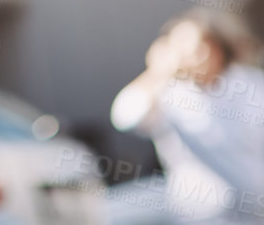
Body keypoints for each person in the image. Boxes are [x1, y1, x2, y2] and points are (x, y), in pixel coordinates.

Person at [111, 12, 264, 221]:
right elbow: (125, 118)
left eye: (200, 47)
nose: (193, 56)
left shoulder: (252, 86)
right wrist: (157, 73)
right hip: (198, 209)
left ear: (217, 47)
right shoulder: (169, 93)